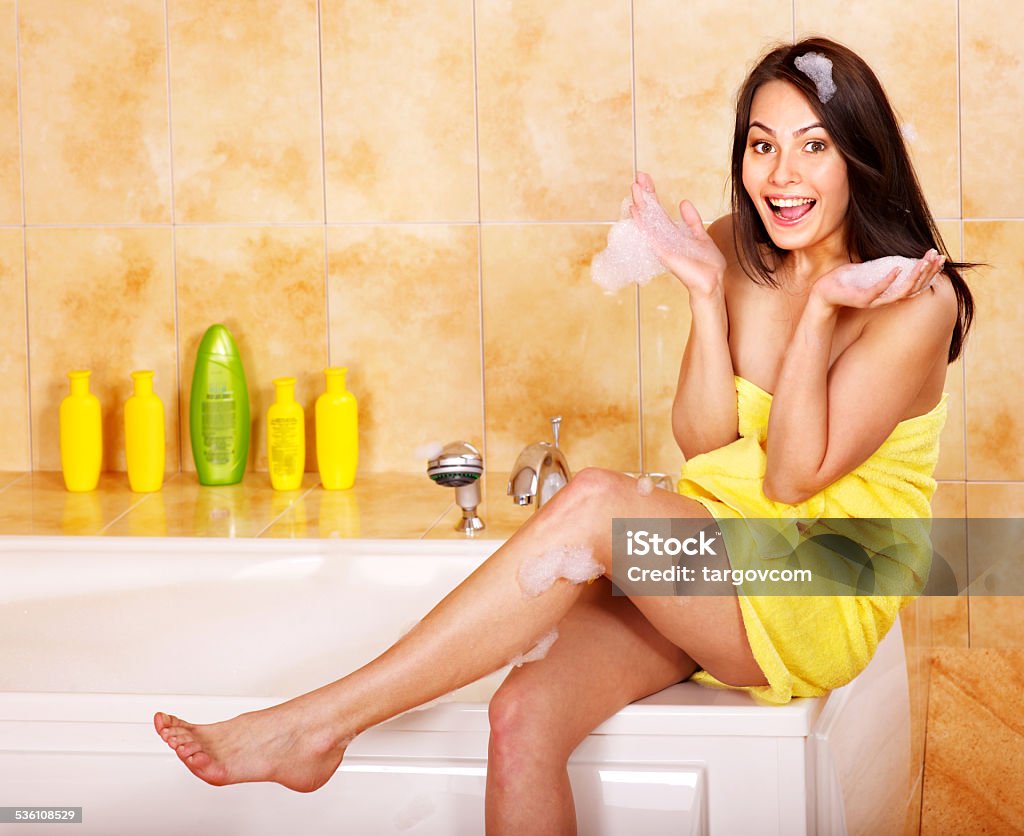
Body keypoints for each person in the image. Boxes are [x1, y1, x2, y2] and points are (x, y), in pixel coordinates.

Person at [154, 36, 974, 834]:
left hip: (813, 588)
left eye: (812, 146)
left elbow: (795, 478)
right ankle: (321, 727)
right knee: (521, 715)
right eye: (762, 146)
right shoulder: (739, 248)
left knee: (593, 504)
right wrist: (700, 293)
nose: (781, 175)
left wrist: (826, 304)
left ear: (859, 158)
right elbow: (706, 441)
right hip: (722, 556)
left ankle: (317, 726)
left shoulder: (916, 305)